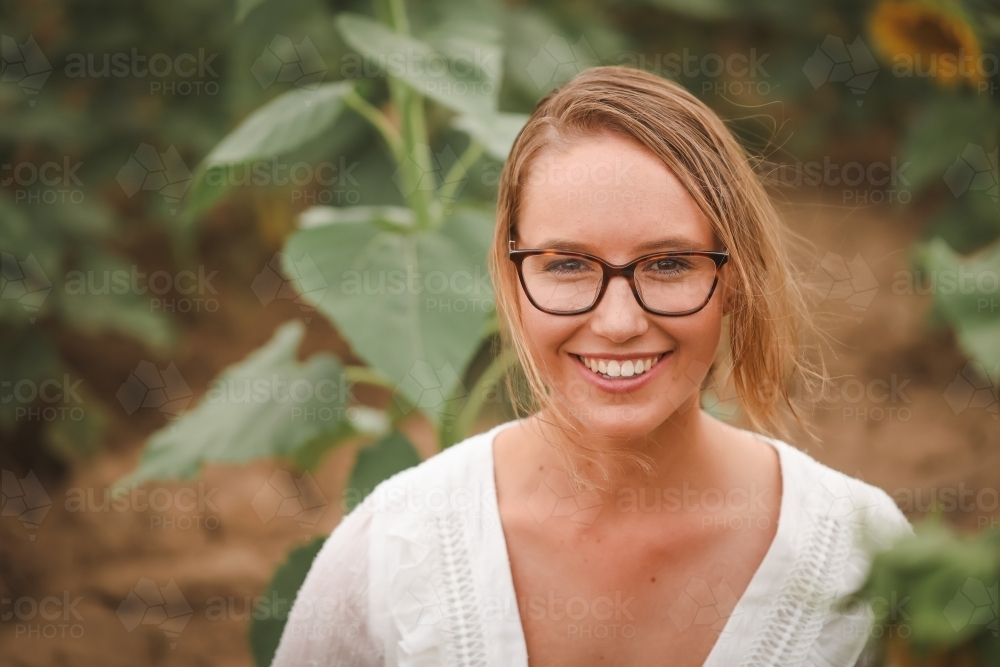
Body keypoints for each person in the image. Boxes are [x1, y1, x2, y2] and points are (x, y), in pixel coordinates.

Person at [270, 66, 912, 667]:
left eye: (667, 264)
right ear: (513, 280)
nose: (618, 322)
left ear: (735, 279)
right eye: (569, 265)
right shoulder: (395, 550)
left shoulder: (860, 554)